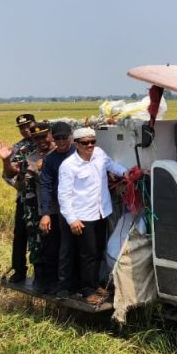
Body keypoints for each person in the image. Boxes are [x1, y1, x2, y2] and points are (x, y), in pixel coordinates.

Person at [57, 127, 128, 304]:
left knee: (98, 251)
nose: (90, 145)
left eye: (92, 142)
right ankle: (87, 291)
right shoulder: (68, 166)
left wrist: (127, 173)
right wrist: (72, 219)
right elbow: (64, 195)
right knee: (87, 254)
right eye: (85, 143)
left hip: (101, 212)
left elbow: (112, 166)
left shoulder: (99, 154)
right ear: (76, 144)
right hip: (83, 216)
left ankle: (95, 284)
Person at [0, 113, 36, 283]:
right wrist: (6, 162)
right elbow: (9, 173)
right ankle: (19, 270)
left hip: (46, 198)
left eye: (28, 126)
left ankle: (43, 271)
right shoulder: (19, 148)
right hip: (26, 197)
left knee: (43, 236)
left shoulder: (47, 141)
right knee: (20, 233)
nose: (26, 130)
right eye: (22, 128)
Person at [37, 121, 76, 295]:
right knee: (64, 247)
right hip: (63, 209)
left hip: (85, 208)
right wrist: (45, 213)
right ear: (52, 138)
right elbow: (45, 186)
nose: (61, 141)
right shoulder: (50, 160)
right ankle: (63, 285)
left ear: (71, 137)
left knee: (87, 249)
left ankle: (84, 285)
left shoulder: (80, 153)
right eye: (57, 138)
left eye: (64, 137)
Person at [18, 122, 55, 292]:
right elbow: (21, 184)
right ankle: (41, 279)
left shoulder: (61, 153)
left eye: (44, 136)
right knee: (38, 243)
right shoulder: (30, 158)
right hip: (40, 208)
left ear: (50, 135)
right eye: (37, 138)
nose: (41, 141)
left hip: (63, 208)